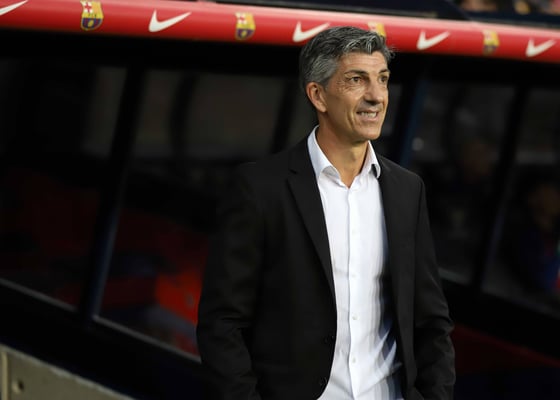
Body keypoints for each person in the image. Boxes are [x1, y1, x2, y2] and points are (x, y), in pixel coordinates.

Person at [197, 26, 455, 400]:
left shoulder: (407, 189)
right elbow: (222, 323)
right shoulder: (260, 188)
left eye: (382, 79)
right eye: (357, 80)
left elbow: (431, 319)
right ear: (318, 95)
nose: (376, 96)